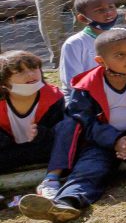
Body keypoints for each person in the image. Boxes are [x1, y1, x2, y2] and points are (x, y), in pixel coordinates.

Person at [19, 28, 126, 223]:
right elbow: (85, 122)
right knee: (89, 168)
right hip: (102, 141)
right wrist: (115, 140)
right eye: (120, 55)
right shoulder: (86, 86)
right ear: (100, 61)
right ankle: (65, 203)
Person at [0, 51, 74, 195]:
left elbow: (59, 135)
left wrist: (41, 134)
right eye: (20, 72)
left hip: (43, 151)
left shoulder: (53, 97)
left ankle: (51, 181)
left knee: (70, 127)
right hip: (7, 153)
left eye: (34, 68)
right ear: (3, 82)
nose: (30, 74)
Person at [59, 0, 126, 87]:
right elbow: (72, 81)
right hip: (89, 92)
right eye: (100, 10)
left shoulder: (122, 34)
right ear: (83, 18)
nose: (108, 13)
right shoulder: (75, 43)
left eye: (111, 7)